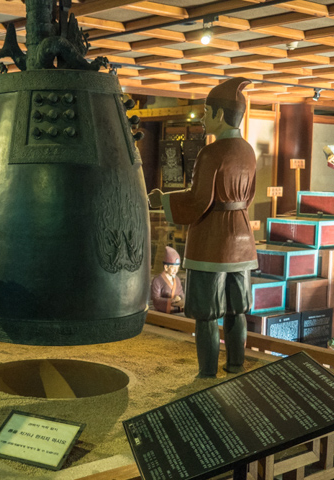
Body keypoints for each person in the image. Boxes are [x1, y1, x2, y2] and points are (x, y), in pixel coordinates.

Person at [148, 77, 258, 378]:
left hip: (212, 241)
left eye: (206, 112)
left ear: (219, 115)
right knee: (238, 310)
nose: (204, 119)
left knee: (207, 314)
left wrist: (163, 201)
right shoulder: (248, 151)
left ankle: (207, 375)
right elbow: (249, 197)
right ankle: (236, 366)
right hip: (243, 241)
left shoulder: (211, 153)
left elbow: (198, 201)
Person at [151, 246, 184, 314]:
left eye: (177, 268)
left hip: (177, 312)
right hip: (163, 313)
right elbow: (156, 299)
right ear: (166, 267)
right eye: (173, 268)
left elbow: (181, 293)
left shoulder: (177, 279)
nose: (176, 270)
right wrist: (171, 301)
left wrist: (180, 298)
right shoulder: (157, 280)